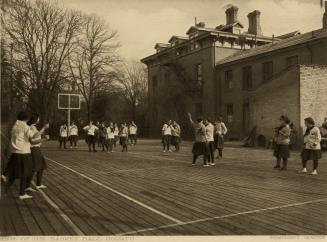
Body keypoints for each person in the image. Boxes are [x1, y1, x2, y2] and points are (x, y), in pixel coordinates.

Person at [2, 111, 49, 199]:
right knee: (25, 172)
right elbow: (33, 138)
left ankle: (5, 184)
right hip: (24, 151)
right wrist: (44, 131)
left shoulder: (15, 125)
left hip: (15, 150)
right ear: (26, 118)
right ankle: (22, 193)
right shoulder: (26, 127)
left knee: (13, 171)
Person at [26, 113, 49, 191]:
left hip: (37, 148)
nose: (39, 119)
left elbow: (36, 135)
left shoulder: (33, 127)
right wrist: (44, 128)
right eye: (38, 118)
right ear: (35, 119)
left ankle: (38, 184)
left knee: (41, 166)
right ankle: (27, 186)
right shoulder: (31, 127)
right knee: (34, 168)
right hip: (34, 149)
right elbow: (34, 138)